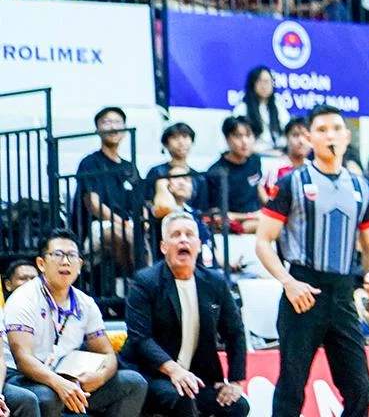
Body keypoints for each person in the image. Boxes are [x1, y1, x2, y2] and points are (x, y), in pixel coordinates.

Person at [256, 106, 369, 417]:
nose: (330, 135)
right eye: (322, 130)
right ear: (310, 138)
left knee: (360, 389)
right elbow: (262, 241)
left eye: (336, 128)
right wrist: (288, 282)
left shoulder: (361, 187)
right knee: (292, 388)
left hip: (342, 294)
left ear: (347, 136)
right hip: (302, 291)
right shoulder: (292, 182)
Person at [2, 230, 148, 417]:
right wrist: (59, 384)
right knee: (48, 396)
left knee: (134, 383)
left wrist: (100, 376)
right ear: (41, 264)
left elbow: (107, 353)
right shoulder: (24, 297)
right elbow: (23, 359)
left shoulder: (85, 303)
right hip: (23, 377)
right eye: (57, 255)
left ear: (80, 264)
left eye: (71, 255)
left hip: (67, 375)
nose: (65, 262)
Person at [121, 213, 248, 417]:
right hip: (152, 375)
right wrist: (174, 371)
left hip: (197, 377)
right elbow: (141, 338)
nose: (183, 239)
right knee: (182, 400)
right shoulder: (145, 282)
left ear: (198, 245)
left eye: (189, 234)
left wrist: (235, 381)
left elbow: (235, 332)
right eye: (176, 235)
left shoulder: (215, 283)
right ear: (163, 247)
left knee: (238, 406)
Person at [74, 106, 140, 271]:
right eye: (107, 122)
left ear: (125, 130)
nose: (113, 126)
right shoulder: (90, 162)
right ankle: (136, 282)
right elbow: (92, 204)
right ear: (97, 130)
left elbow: (141, 203)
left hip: (129, 224)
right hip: (97, 226)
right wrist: (123, 224)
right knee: (122, 234)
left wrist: (143, 221)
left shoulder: (129, 167)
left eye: (118, 122)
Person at [204, 118, 263, 234]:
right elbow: (217, 213)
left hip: (258, 217)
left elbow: (258, 187)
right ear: (227, 139)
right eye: (238, 136)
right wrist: (250, 216)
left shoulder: (255, 160)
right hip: (233, 225)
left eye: (248, 135)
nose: (244, 141)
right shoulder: (216, 172)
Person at [232, 67, 285, 155]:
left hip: (277, 155)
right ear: (253, 84)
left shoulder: (278, 108)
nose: (264, 86)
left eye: (268, 82)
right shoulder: (242, 109)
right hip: (252, 156)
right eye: (260, 81)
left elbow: (287, 131)